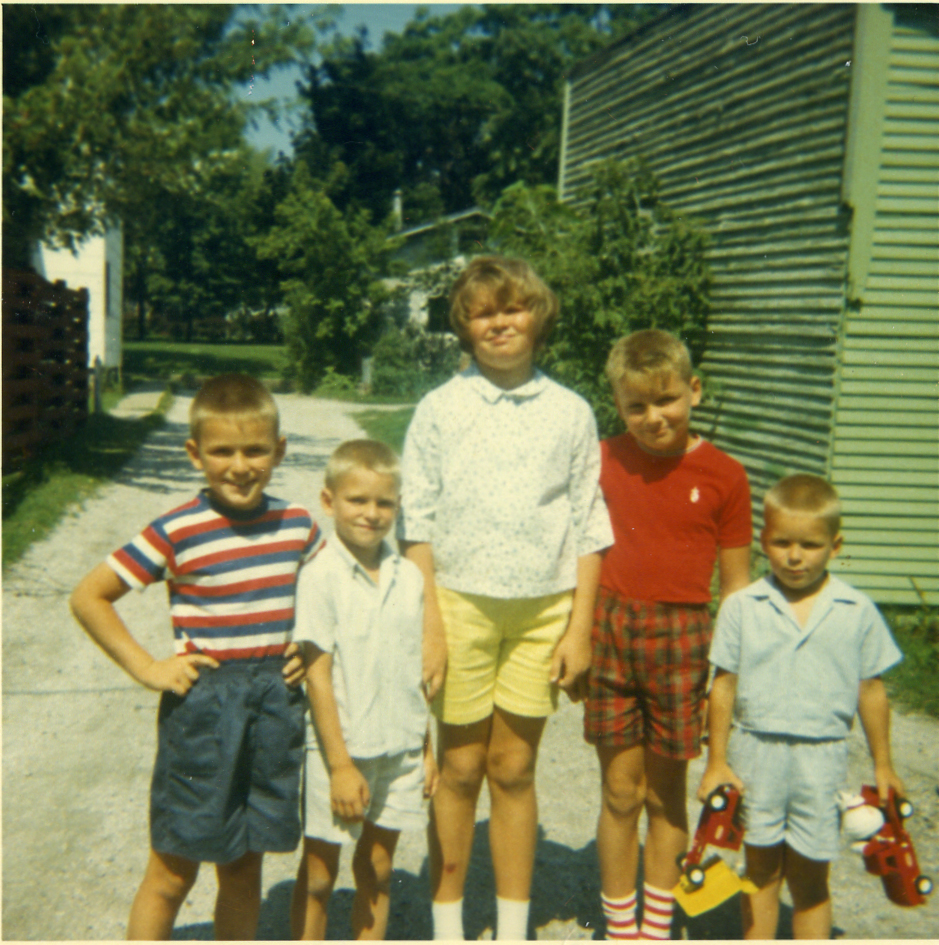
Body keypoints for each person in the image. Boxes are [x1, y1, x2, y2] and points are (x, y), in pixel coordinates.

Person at [399, 255, 614, 940]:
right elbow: (417, 521)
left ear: (537, 316)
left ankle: (515, 928)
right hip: (458, 601)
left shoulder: (570, 411)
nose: (499, 322)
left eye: (512, 308)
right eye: (483, 312)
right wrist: (429, 623)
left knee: (513, 766)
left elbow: (588, 522)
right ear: (464, 327)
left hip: (543, 608)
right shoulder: (440, 408)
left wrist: (578, 628)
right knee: (459, 768)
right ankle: (448, 925)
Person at [70, 374, 322, 940]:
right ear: (194, 454)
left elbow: (334, 599)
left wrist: (310, 649)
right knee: (173, 866)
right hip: (205, 709)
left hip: (275, 705)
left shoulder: (299, 527)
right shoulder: (177, 530)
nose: (240, 465)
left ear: (279, 450)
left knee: (243, 863)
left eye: (255, 450)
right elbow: (89, 597)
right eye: (222, 451)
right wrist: (147, 668)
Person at [585, 329, 753, 940]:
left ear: (694, 391)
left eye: (667, 401)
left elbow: (736, 588)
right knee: (619, 791)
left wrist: (728, 672)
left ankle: (656, 927)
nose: (653, 418)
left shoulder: (725, 475)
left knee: (665, 796)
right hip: (609, 629)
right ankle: (619, 928)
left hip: (684, 642)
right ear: (619, 407)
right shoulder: (602, 459)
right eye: (636, 407)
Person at [698, 474, 904, 940]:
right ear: (763, 542)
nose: (795, 556)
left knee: (811, 877)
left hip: (822, 757)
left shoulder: (856, 609)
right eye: (782, 542)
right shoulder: (742, 606)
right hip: (757, 756)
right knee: (761, 870)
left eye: (810, 545)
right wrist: (716, 762)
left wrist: (884, 765)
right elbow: (723, 685)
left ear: (835, 545)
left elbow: (871, 691)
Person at [290, 440, 436, 940]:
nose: (371, 514)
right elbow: (317, 676)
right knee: (319, 875)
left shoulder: (410, 577)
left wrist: (426, 748)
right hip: (342, 749)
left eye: (384, 503)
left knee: (377, 867)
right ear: (329, 502)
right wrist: (340, 765)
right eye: (358, 500)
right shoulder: (320, 576)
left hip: (399, 749)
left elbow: (414, 672)